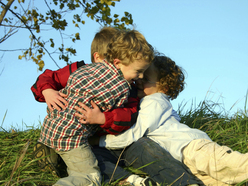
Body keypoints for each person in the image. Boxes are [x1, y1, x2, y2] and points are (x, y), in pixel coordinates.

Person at [82, 54, 248, 186]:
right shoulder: (150, 102)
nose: (139, 80)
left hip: (194, 149)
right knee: (224, 181)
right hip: (183, 158)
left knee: (238, 166)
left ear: (164, 87)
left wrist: (100, 140)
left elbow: (136, 134)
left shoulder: (155, 101)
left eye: (146, 79)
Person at [37, 29, 154, 186]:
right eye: (138, 71)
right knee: (90, 176)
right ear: (99, 57)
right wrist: (47, 90)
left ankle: (51, 150)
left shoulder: (85, 70)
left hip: (57, 125)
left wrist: (103, 118)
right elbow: (49, 78)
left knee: (90, 157)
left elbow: (127, 115)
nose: (140, 77)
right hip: (75, 135)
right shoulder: (120, 87)